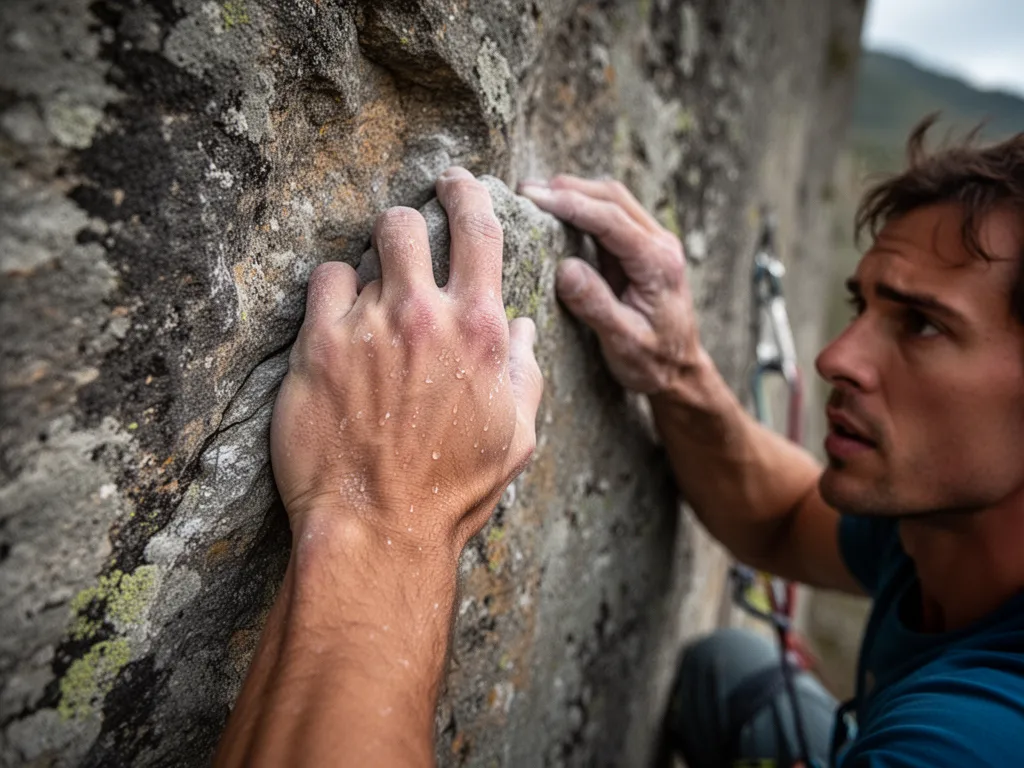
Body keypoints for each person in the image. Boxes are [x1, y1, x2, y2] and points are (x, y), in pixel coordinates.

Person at [213, 120, 1024, 767]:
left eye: (922, 324)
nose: (836, 357)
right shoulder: (941, 529)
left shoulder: (976, 738)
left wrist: (385, 517)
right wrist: (675, 369)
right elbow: (780, 516)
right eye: (865, 305)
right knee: (727, 676)